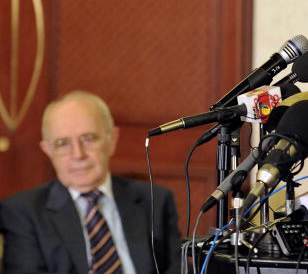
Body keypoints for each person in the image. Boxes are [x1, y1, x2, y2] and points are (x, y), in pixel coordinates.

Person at [0, 91, 181, 273]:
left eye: (88, 139)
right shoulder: (23, 212)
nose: (78, 154)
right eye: (63, 143)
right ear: (47, 150)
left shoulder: (154, 200)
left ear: (112, 140)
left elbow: (177, 269)